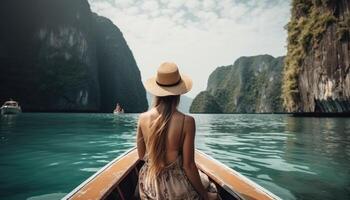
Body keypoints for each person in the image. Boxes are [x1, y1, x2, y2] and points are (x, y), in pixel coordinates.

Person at [136, 62, 218, 200]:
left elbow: (141, 155)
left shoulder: (142, 118)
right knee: (212, 190)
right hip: (176, 188)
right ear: (179, 93)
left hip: (150, 185)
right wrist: (205, 196)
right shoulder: (187, 122)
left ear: (157, 91)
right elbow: (189, 166)